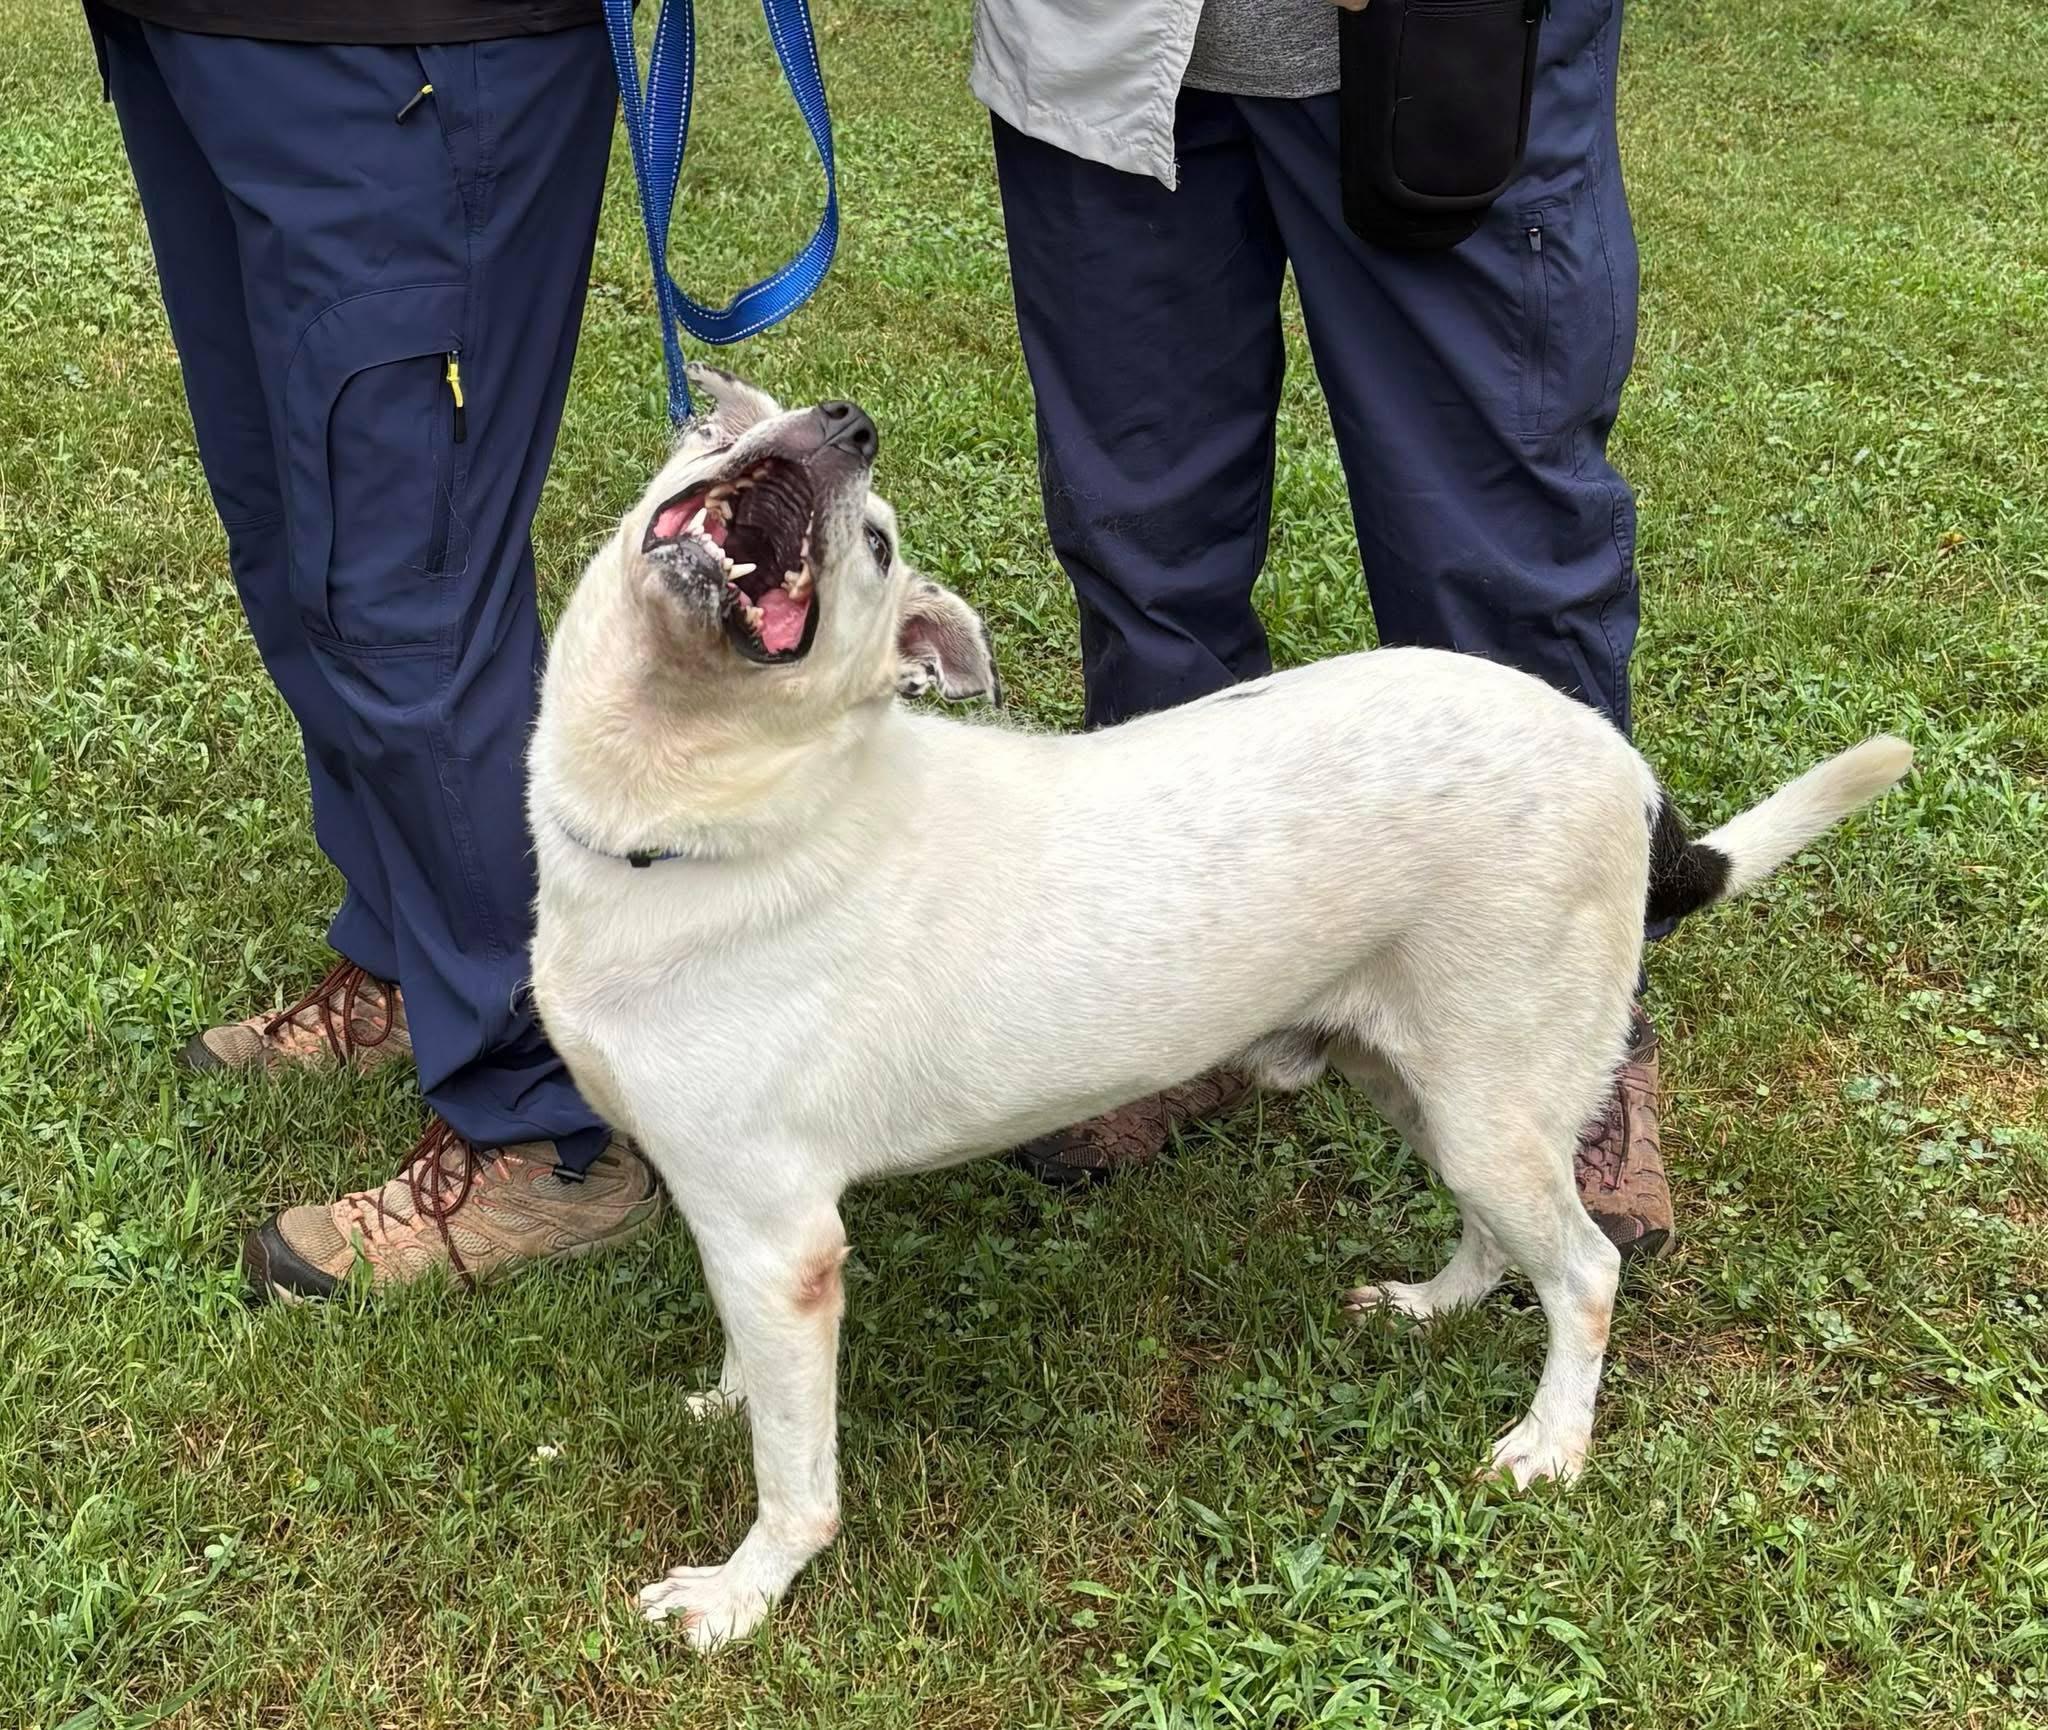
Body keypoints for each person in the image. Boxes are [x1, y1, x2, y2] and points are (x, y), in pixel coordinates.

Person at [973, 0, 1676, 1257]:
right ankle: (1180, 988)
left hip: (1440, 46)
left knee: (1495, 551)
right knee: (1144, 548)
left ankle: (1565, 1033)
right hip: (1104, 49)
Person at [85, 0, 661, 1299]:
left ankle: (548, 1118)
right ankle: (418, 962)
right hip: (201, 38)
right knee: (297, 544)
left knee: (405, 574)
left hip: (404, 48)